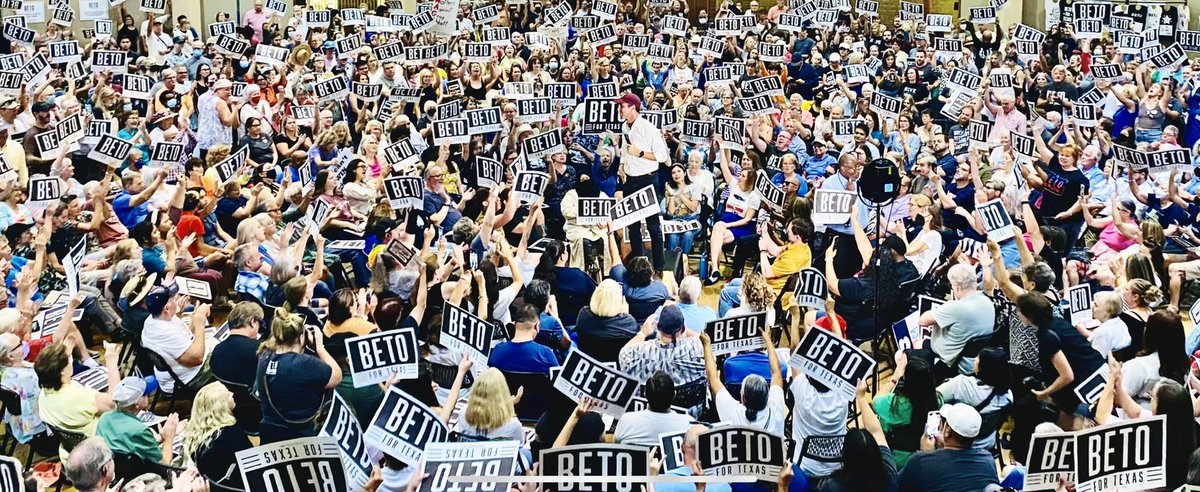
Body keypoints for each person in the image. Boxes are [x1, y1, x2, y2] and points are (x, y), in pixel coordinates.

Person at [255, 308, 341, 443]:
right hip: (302, 434)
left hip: (271, 434)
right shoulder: (305, 363)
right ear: (301, 337)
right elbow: (336, 377)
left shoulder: (264, 356)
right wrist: (320, 348)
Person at [616, 92, 669, 271]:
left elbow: (662, 157)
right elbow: (625, 149)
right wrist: (622, 166)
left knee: (653, 226)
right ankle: (639, 266)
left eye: (622, 106)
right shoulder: (625, 127)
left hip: (648, 180)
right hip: (631, 180)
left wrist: (640, 153)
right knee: (633, 226)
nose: (619, 109)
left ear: (633, 107)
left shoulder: (648, 128)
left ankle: (659, 266)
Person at [896, 403, 999, 492]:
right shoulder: (988, 459)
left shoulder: (920, 462)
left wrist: (925, 454)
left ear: (947, 431)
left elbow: (894, 485)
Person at [702, 330, 787, 436]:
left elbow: (713, 378)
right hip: (775, 453)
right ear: (767, 397)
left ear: (743, 398)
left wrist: (706, 345)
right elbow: (776, 372)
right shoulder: (776, 407)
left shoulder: (733, 412)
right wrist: (768, 341)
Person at [916, 264, 995, 376]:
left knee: (914, 345)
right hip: (973, 358)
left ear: (957, 287)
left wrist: (941, 312)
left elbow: (922, 321)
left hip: (950, 362)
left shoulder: (956, 307)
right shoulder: (987, 301)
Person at [140, 286, 215, 394]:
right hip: (189, 378)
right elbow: (196, 359)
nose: (177, 298)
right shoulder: (164, 331)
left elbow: (184, 337)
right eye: (173, 298)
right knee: (229, 357)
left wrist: (194, 318)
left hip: (179, 372)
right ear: (166, 308)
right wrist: (200, 323)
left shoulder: (154, 319)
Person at [180, 382, 253, 489]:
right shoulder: (232, 434)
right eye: (228, 394)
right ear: (221, 405)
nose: (232, 393)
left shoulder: (193, 435)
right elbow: (250, 461)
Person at [96, 376, 180, 465]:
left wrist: (161, 437)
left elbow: (127, 442)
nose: (148, 395)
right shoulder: (139, 430)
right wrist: (169, 438)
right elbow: (164, 463)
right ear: (137, 404)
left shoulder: (104, 418)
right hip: (137, 473)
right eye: (145, 394)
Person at [613, 371, 692, 447]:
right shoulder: (688, 425)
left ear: (645, 395)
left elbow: (616, 445)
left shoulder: (626, 420)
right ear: (674, 395)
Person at [573, 280, 639, 363]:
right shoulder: (629, 322)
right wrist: (625, 315)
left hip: (591, 363)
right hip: (618, 366)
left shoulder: (583, 315)